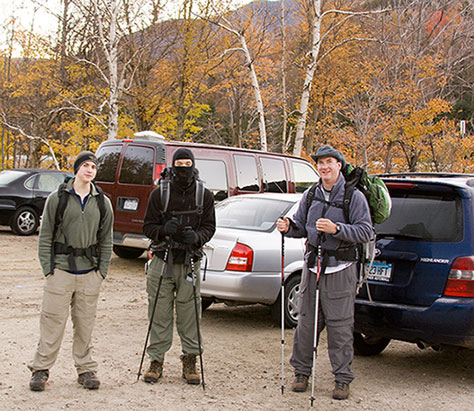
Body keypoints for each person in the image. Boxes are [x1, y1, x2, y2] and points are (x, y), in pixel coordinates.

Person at [277, 145, 372, 400]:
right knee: (306, 322)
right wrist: (288, 227)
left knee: (340, 326)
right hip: (312, 267)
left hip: (341, 269)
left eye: (329, 162)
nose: (324, 167)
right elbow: (301, 227)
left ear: (339, 165)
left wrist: (336, 229)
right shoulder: (311, 195)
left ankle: (342, 379)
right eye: (320, 163)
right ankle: (301, 372)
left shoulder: (354, 197)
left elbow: (366, 231)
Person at [28, 151, 113, 392]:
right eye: (85, 165)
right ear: (76, 169)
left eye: (93, 167)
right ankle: (40, 370)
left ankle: (86, 370)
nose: (89, 170)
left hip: (89, 273)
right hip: (61, 271)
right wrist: (49, 269)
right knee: (52, 321)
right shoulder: (58, 198)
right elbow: (45, 236)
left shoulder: (102, 202)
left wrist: (101, 272)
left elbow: (106, 240)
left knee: (85, 323)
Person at [142, 148, 215, 385]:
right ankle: (156, 360)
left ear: (193, 165)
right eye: (179, 163)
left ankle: (191, 359)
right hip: (163, 260)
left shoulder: (204, 194)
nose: (184, 167)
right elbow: (147, 227)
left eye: (188, 163)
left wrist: (196, 237)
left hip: (189, 262)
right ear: (173, 166)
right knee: (158, 312)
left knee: (190, 313)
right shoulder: (159, 194)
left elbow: (210, 227)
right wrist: (164, 231)